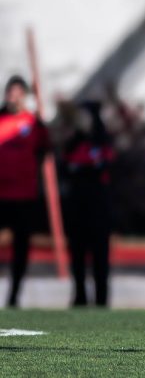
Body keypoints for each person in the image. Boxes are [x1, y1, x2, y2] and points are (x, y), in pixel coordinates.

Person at [0, 75, 50, 308]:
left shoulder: (33, 123)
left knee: (21, 247)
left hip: (24, 195)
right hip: (1, 195)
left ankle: (14, 296)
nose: (12, 96)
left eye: (18, 91)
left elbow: (46, 150)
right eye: (10, 91)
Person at [60, 100, 114, 307]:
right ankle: (79, 297)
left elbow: (102, 167)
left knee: (100, 256)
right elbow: (66, 169)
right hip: (77, 206)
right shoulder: (73, 143)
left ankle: (102, 299)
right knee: (77, 254)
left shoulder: (103, 142)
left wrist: (81, 169)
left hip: (99, 207)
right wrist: (84, 170)